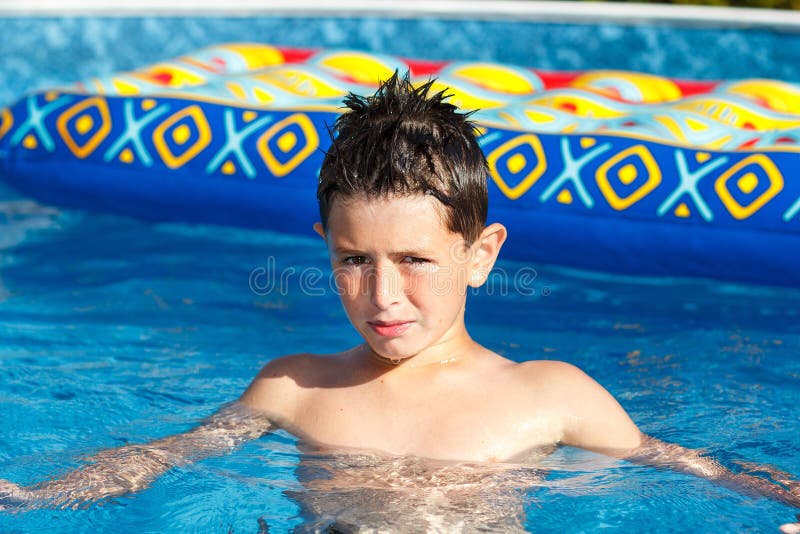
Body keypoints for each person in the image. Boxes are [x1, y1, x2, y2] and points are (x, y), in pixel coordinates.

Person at [1, 72, 799, 532]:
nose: (383, 295)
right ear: (324, 246)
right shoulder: (292, 388)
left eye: (416, 260)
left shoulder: (549, 395)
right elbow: (162, 458)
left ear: (480, 256)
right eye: (354, 260)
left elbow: (697, 471)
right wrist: (35, 496)